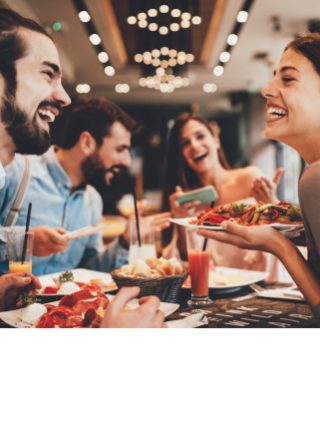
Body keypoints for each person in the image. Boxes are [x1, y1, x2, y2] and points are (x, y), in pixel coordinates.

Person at [0, 8, 164, 327]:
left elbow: (89, 270)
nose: (63, 97)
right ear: (88, 143)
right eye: (48, 74)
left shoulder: (91, 200)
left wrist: (125, 242)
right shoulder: (15, 171)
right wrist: (26, 239)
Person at [199, 33, 320, 316]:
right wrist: (280, 216)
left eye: (287, 79)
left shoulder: (314, 178)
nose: (266, 89)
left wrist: (279, 245)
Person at [162, 113, 280, 271]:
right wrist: (180, 221)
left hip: (258, 283)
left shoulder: (250, 179)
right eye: (185, 143)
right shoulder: (188, 202)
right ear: (181, 155)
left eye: (200, 136)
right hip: (213, 290)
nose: (194, 146)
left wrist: (274, 206)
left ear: (216, 140)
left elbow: (279, 238)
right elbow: (185, 258)